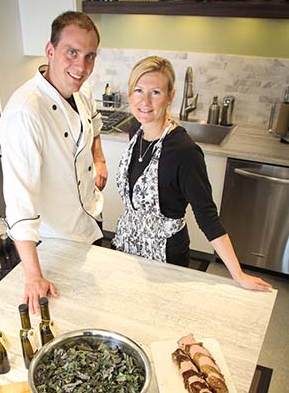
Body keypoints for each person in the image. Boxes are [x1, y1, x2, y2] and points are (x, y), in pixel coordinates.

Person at [112, 56, 272, 292]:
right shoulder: (136, 130)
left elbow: (207, 217)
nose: (144, 101)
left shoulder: (184, 152)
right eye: (138, 90)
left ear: (170, 96)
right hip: (126, 245)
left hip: (164, 254)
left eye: (155, 92)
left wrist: (238, 274)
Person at [0, 11, 108, 313]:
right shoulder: (25, 113)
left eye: (89, 56)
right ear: (50, 51)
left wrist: (98, 157)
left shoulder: (82, 90)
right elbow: (20, 201)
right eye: (72, 53)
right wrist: (33, 276)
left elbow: (94, 124)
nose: (81, 66)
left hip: (91, 218)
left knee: (98, 306)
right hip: (57, 241)